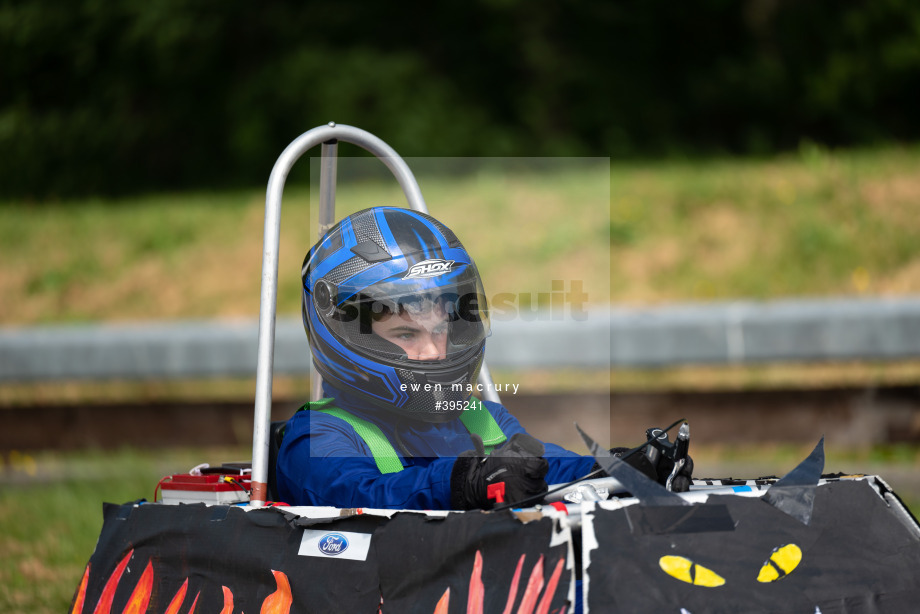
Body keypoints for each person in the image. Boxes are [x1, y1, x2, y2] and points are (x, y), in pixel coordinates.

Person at [275, 207, 690, 510]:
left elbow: (544, 469)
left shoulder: (477, 418)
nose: (435, 351)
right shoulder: (317, 437)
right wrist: (465, 483)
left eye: (442, 330)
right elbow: (361, 495)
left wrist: (623, 469)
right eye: (406, 334)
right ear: (341, 331)